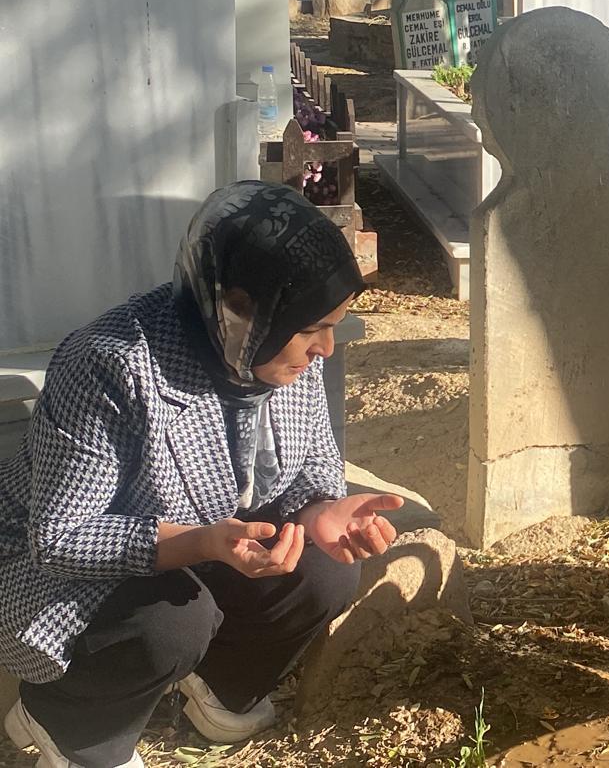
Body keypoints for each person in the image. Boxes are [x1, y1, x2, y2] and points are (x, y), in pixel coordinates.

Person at [0, 182, 403, 768]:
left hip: (212, 542)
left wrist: (322, 513)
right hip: (64, 569)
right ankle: (69, 726)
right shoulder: (109, 363)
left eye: (334, 324)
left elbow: (309, 469)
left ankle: (218, 688)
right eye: (313, 327)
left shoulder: (278, 349)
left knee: (326, 570)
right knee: (172, 623)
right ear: (242, 311)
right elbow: (61, 535)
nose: (327, 348)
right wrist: (198, 542)